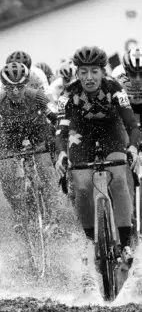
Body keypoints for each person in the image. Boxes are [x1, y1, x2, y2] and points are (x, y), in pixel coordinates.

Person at [54, 45, 140, 272]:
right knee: (82, 187)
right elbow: (61, 130)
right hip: (81, 134)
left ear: (103, 72)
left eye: (94, 71)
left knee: (119, 179)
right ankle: (89, 240)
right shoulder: (68, 94)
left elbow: (132, 125)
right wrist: (62, 152)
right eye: (83, 72)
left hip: (112, 132)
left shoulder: (115, 88)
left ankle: (125, 243)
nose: (89, 77)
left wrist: (132, 147)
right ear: (77, 73)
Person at [0, 62, 56, 216]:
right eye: (10, 87)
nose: (15, 91)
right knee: (6, 176)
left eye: (20, 86)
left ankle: (52, 215)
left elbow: (54, 118)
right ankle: (19, 213)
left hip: (37, 131)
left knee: (46, 169)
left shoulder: (36, 96)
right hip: (10, 135)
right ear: (4, 87)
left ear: (26, 84)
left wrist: (56, 139)